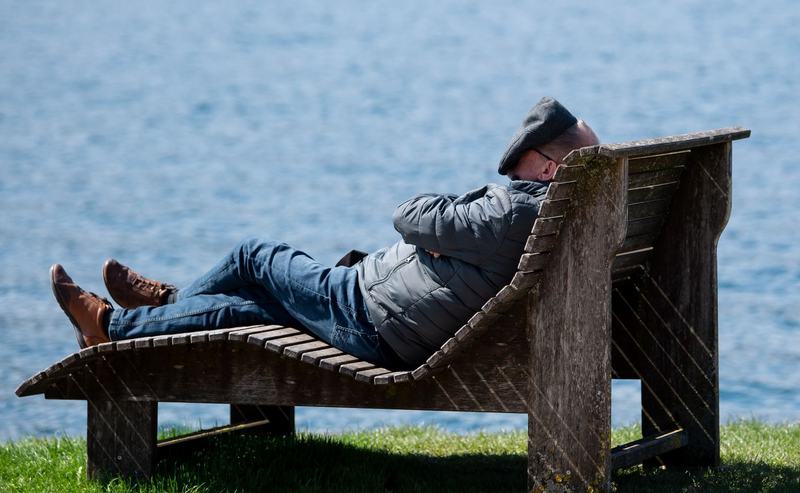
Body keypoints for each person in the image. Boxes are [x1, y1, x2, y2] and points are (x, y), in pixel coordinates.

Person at [50, 97, 599, 370]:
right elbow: (443, 228)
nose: (509, 177)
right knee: (250, 310)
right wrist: (445, 235)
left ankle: (141, 312)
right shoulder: (564, 210)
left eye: (519, 166)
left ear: (548, 167)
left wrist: (438, 229)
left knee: (255, 257)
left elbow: (408, 213)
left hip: (370, 316)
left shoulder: (510, 215)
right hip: (393, 319)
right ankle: (124, 323)